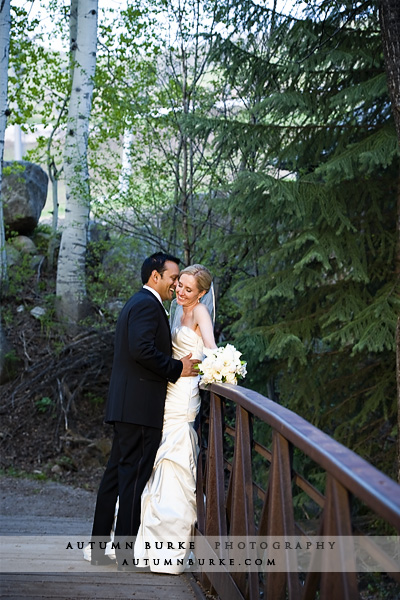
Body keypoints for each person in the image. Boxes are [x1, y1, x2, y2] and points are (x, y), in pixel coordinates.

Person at [90, 252, 199, 568]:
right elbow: (141, 350)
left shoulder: (138, 303)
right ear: (155, 276)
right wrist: (176, 367)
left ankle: (100, 547)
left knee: (115, 476)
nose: (175, 284)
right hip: (139, 408)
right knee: (133, 479)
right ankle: (124, 553)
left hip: (127, 405)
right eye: (172, 278)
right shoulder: (147, 306)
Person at [133, 264, 217, 573]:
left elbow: (212, 352)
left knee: (174, 460)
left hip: (183, 397)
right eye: (179, 285)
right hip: (166, 392)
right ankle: (145, 545)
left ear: (202, 294)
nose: (180, 291)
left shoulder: (200, 315)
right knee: (155, 459)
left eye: (188, 289)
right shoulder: (174, 311)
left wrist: (213, 370)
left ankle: (168, 553)